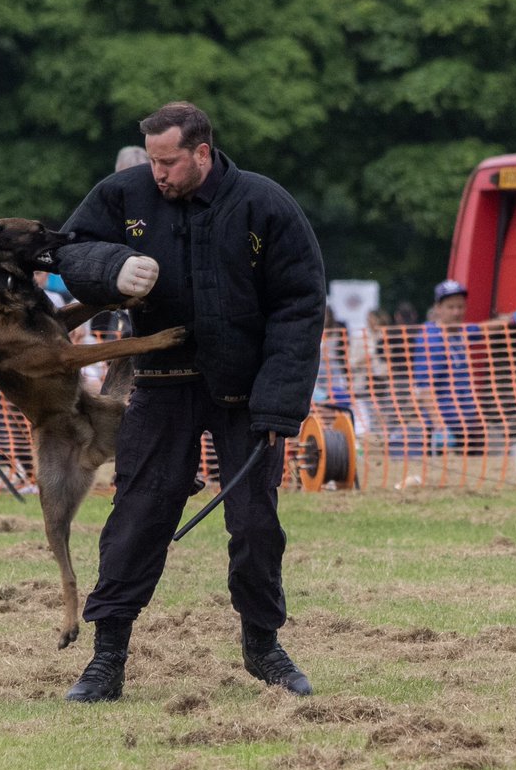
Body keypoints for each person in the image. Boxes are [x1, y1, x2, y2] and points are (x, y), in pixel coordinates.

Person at [55, 101, 326, 703]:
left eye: (169, 161)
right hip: (161, 382)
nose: (158, 173)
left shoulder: (265, 205)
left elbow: (300, 305)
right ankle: (107, 660)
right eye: (152, 160)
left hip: (246, 395)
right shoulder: (124, 194)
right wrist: (113, 266)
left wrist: (279, 406)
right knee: (137, 517)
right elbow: (67, 250)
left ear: (202, 152)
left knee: (255, 523)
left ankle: (264, 648)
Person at [412, 280, 516, 455]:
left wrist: (513, 319)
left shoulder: (458, 332)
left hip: (466, 423)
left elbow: (483, 328)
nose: (457, 312)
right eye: (451, 307)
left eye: (460, 307)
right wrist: (440, 427)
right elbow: (425, 388)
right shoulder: (432, 340)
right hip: (445, 428)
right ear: (438, 308)